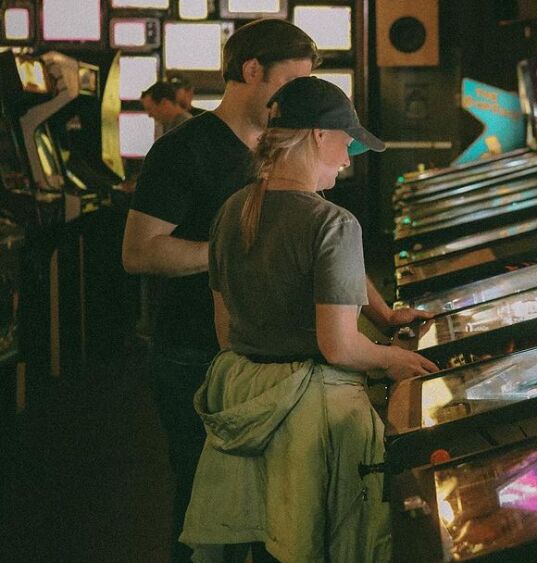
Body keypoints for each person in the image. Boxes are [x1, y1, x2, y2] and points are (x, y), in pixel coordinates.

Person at [121, 19, 432, 563]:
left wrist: (381, 314)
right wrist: (257, 254)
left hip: (242, 358)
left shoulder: (264, 190)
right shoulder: (184, 151)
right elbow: (138, 252)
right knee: (215, 505)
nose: (346, 157)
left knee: (251, 519)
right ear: (251, 70)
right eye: (291, 81)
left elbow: (319, 254)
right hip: (196, 355)